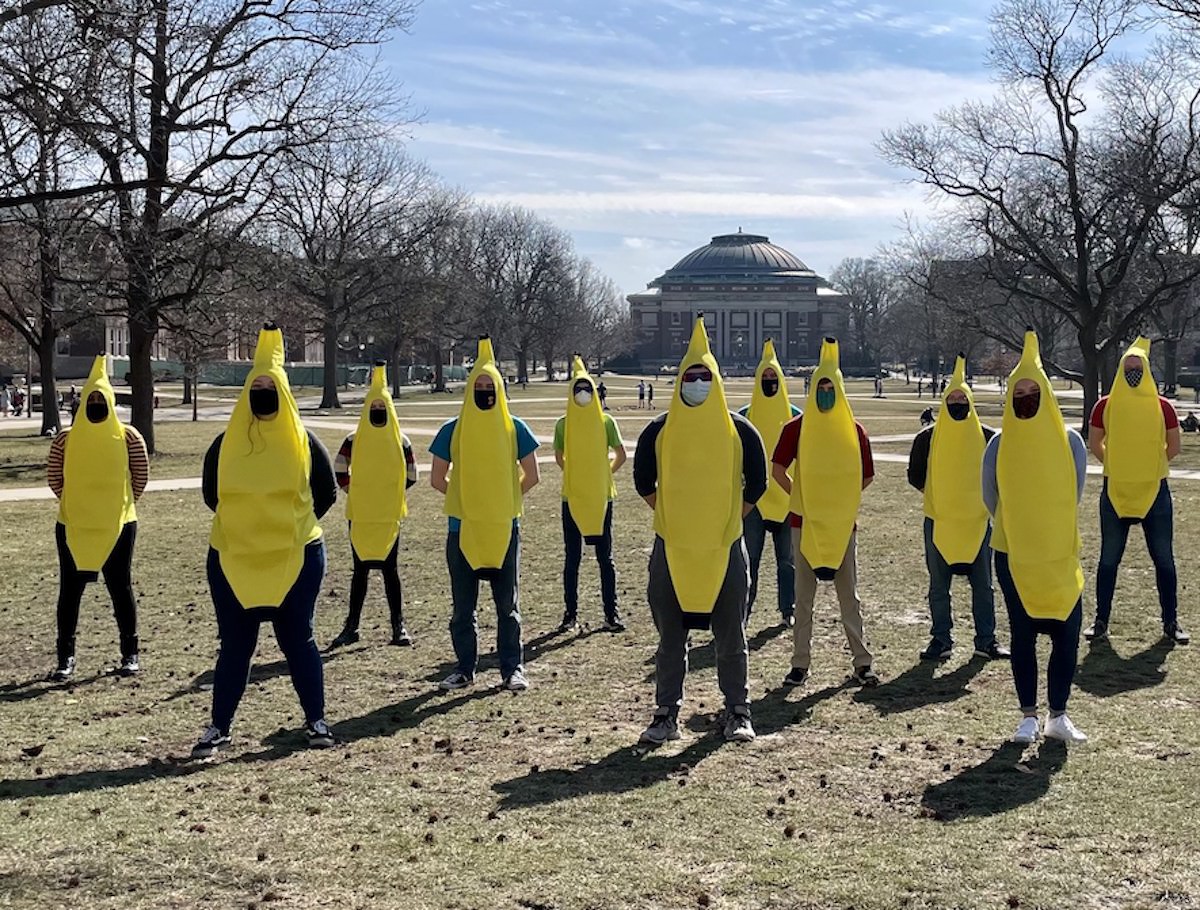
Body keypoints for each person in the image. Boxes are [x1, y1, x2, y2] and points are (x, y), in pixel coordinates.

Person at [191, 324, 338, 758]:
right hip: (234, 559)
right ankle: (219, 726)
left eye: (269, 387)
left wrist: (287, 527)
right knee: (235, 646)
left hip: (295, 558)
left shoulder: (306, 442)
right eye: (255, 387)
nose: (262, 394)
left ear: (284, 393)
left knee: (299, 641)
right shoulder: (225, 444)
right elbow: (210, 496)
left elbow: (325, 494)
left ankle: (316, 720)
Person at [633, 318, 766, 745]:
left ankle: (737, 710)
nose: (696, 384)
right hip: (671, 548)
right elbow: (642, 482)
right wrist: (676, 517)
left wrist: (725, 517)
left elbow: (758, 484)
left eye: (704, 378)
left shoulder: (741, 431)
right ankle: (665, 713)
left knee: (731, 635)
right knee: (671, 638)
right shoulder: (658, 430)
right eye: (690, 378)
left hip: (725, 547)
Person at [982, 329, 1088, 745]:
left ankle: (1058, 715)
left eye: (1033, 390)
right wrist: (1021, 526)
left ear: (1045, 393)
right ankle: (1028, 715)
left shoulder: (1070, 442)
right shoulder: (999, 444)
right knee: (1022, 634)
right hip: (1012, 554)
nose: (1025, 398)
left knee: (1067, 633)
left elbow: (1074, 493)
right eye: (1018, 392)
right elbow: (991, 498)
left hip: (1060, 554)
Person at [429, 337, 539, 692]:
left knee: (507, 605)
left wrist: (501, 501)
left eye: (489, 386)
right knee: (464, 606)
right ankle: (464, 668)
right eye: (477, 386)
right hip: (461, 529)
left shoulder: (515, 427)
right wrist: (468, 501)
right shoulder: (452, 428)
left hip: (505, 527)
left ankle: (513, 669)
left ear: (500, 389)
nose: (483, 391)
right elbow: (436, 477)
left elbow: (532, 474)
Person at [772, 337, 879, 688]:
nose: (826, 394)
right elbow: (778, 469)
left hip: (842, 526)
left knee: (849, 596)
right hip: (804, 525)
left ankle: (862, 662)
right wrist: (801, 499)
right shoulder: (797, 428)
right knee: (804, 599)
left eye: (832, 388)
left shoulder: (854, 429)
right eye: (821, 388)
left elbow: (866, 475)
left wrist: (839, 502)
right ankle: (800, 663)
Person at [46, 355, 148, 681]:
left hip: (119, 526)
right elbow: (54, 477)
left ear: (110, 401)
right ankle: (66, 658)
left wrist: (116, 505)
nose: (95, 404)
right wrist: (78, 504)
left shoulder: (130, 436)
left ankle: (130, 654)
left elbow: (140, 477)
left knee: (120, 589)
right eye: (90, 399)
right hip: (73, 526)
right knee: (70, 593)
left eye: (100, 399)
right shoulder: (66, 438)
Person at [1086, 338, 1188, 644]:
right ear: (1119, 370)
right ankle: (1100, 621)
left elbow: (1174, 447)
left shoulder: (1163, 407)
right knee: (1108, 560)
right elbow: (1095, 444)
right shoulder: (1105, 405)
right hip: (1115, 491)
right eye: (1128, 367)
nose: (1133, 372)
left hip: (1154, 491)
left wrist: (1148, 467)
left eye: (1138, 368)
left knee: (1164, 560)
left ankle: (1171, 623)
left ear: (1146, 370)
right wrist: (1119, 466)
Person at [907, 355, 1008, 662]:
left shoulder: (989, 437)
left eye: (962, 398)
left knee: (984, 586)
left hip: (978, 523)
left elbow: (1000, 476)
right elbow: (915, 476)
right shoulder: (928, 437)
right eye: (951, 398)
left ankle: (986, 640)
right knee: (939, 587)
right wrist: (945, 498)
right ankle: (941, 640)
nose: (957, 403)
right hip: (938, 522)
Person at [328, 363, 418, 650]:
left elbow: (412, 475)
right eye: (374, 405)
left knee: (391, 570)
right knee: (361, 570)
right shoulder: (354, 440)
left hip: (389, 516)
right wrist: (356, 492)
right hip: (361, 515)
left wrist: (388, 494)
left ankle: (398, 626)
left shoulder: (401, 440)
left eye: (383, 405)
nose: (378, 410)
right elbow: (340, 469)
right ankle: (351, 626)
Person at [555, 357, 627, 632]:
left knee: (604, 558)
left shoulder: (606, 422)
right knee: (572, 558)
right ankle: (570, 614)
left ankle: (611, 614)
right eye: (578, 389)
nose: (583, 394)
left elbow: (620, 455)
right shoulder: (563, 424)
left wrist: (602, 474)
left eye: (587, 388)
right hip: (571, 497)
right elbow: (560, 457)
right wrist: (578, 475)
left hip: (601, 498)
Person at [738, 340, 800, 627]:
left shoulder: (795, 414)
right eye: (764, 378)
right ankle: (743, 611)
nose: (769, 382)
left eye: (774, 378)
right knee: (749, 559)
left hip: (787, 497)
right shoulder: (744, 415)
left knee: (786, 561)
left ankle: (788, 610)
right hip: (754, 502)